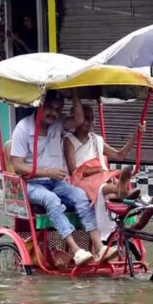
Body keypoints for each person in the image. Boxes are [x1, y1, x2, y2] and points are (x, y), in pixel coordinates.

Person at [9, 91, 117, 266]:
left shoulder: (58, 124)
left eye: (58, 109)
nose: (53, 113)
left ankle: (99, 246)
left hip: (55, 182)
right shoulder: (23, 128)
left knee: (80, 195)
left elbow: (80, 120)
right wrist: (47, 172)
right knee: (51, 199)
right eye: (49, 108)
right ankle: (76, 250)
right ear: (40, 105)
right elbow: (18, 166)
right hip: (30, 183)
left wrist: (75, 94)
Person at [64, 93, 142, 241]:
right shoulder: (68, 140)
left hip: (100, 178)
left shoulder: (96, 139)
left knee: (103, 182)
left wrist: (136, 135)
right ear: (76, 119)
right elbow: (73, 171)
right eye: (86, 118)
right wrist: (97, 170)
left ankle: (119, 191)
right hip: (79, 181)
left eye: (92, 118)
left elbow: (119, 155)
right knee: (102, 184)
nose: (90, 122)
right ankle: (120, 189)